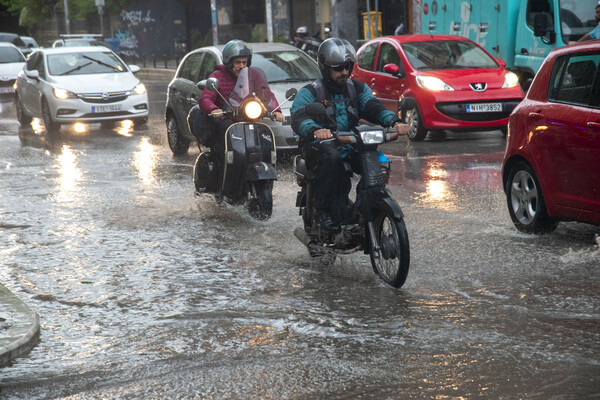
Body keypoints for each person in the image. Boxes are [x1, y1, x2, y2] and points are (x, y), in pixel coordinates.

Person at [291, 37, 405, 233]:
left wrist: (394, 121)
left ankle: (363, 207)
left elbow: (372, 106)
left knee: (379, 162)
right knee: (331, 158)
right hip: (320, 145)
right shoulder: (311, 92)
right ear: (325, 68)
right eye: (338, 68)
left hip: (350, 142)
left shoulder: (357, 89)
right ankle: (323, 212)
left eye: (347, 67)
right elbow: (299, 116)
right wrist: (315, 130)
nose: (344, 72)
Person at [198, 39, 285, 186]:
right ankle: (224, 178)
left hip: (248, 118)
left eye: (244, 62)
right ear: (229, 61)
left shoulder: (254, 75)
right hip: (227, 121)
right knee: (228, 141)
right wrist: (214, 109)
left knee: (261, 145)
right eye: (237, 62)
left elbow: (267, 95)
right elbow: (206, 98)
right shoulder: (217, 76)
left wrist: (276, 110)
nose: (241, 66)